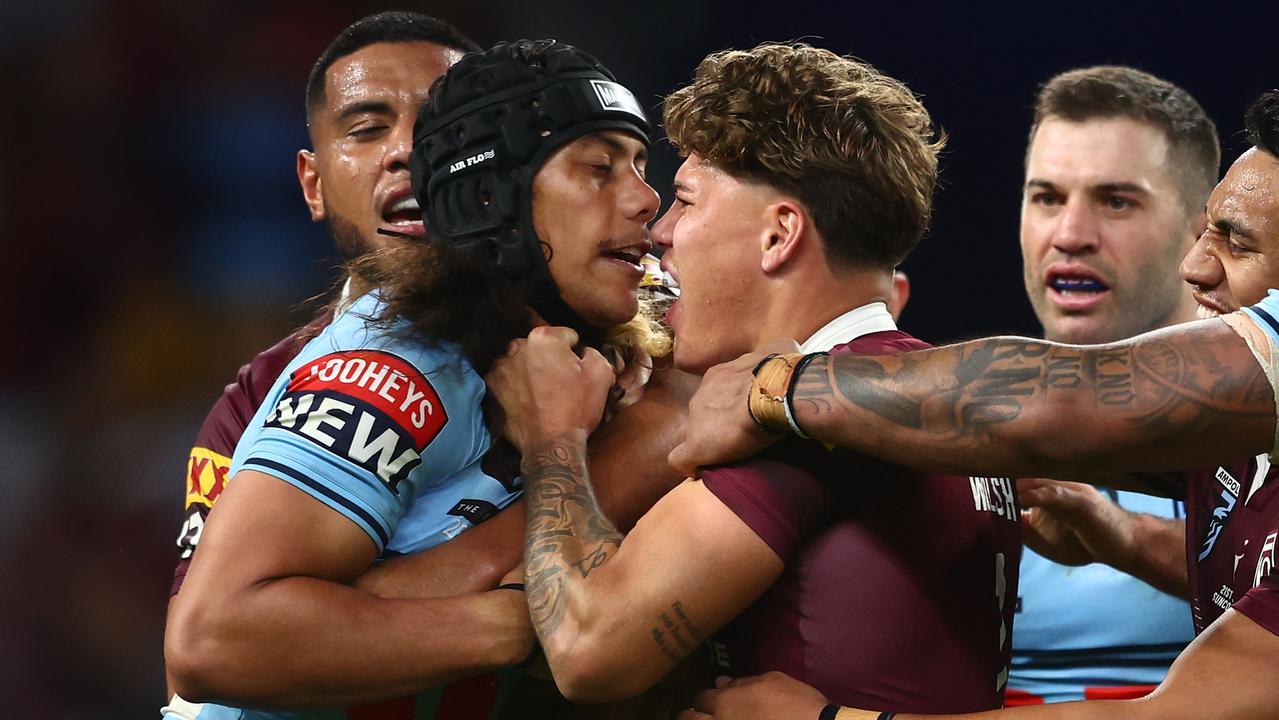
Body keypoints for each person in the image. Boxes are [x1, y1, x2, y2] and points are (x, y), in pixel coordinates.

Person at [672, 91, 1279, 720]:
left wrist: (778, 389)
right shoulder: (1240, 435)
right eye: (1046, 197)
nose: (1194, 266)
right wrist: (1125, 538)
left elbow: (1061, 401)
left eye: (1237, 243)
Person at [485, 43, 1020, 714]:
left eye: (684, 201)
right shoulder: (908, 384)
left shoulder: (813, 410)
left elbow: (587, 651)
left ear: (779, 234)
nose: (661, 233)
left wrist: (552, 435)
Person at [166, 38, 689, 719]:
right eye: (597, 169)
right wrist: (527, 620)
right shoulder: (389, 366)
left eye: (642, 167)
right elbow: (214, 643)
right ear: (490, 196)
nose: (647, 200)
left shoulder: (604, 348)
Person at [163, 11, 484, 718]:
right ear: (312, 185)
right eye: (367, 129)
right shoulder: (251, 410)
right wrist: (529, 612)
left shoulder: (607, 330)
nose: (406, 151)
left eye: (447, 124)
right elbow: (208, 676)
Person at [1007, 65, 1218, 705]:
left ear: (1202, 230)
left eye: (1116, 201)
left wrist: (1126, 539)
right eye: (1046, 197)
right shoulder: (947, 424)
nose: (1070, 236)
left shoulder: (1264, 414)